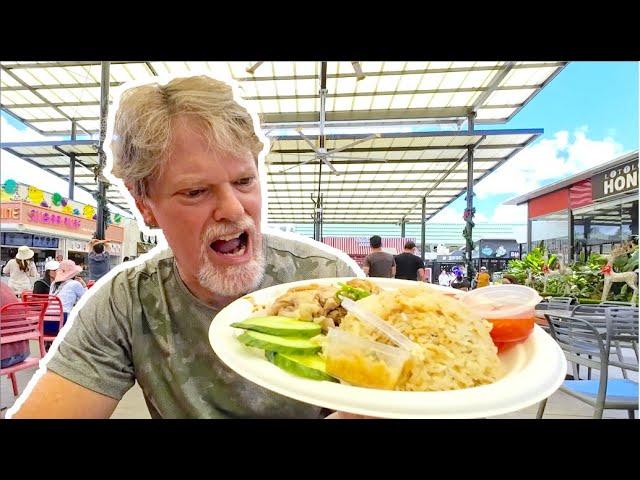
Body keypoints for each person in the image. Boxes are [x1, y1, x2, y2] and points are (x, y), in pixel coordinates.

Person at [9, 74, 358, 419]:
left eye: (244, 181)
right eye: (196, 192)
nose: (234, 209)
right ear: (145, 205)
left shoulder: (328, 281)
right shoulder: (128, 302)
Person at [47, 260, 87, 335]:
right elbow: (86, 300)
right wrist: (84, 286)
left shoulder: (53, 284)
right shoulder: (75, 284)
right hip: (62, 322)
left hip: (46, 321)